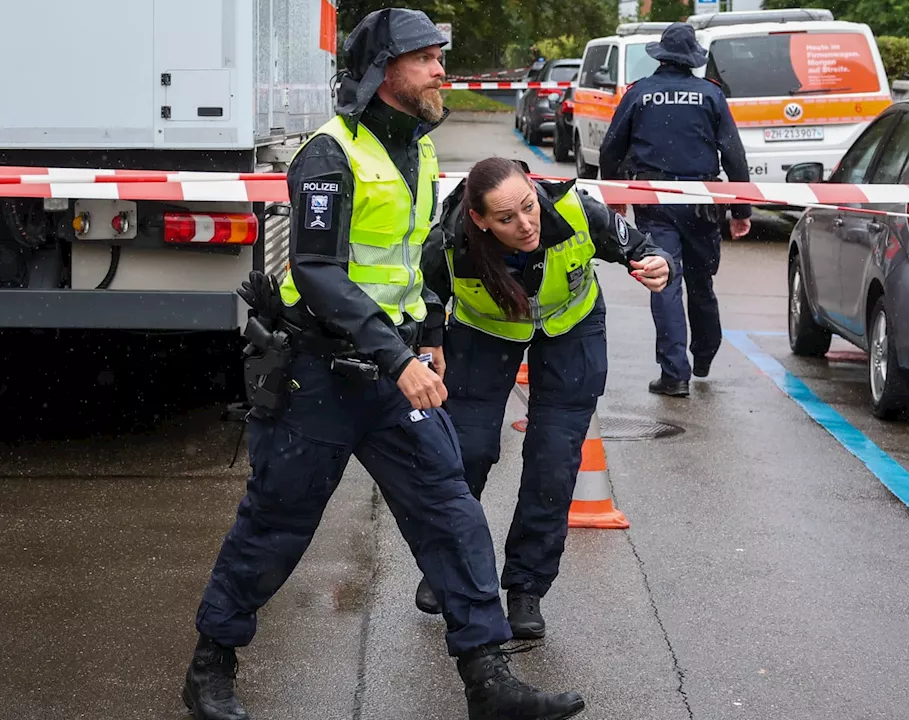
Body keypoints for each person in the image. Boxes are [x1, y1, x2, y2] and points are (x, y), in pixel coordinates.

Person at [182, 10, 585, 720]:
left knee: (452, 514)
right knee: (276, 524)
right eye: (425, 59)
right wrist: (398, 356)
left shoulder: (419, 153)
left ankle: (488, 680)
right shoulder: (328, 155)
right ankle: (212, 663)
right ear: (384, 71)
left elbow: (410, 259)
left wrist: (428, 328)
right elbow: (317, 273)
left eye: (439, 57)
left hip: (393, 371)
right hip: (320, 375)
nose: (440, 70)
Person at [411, 157, 672, 638]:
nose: (525, 225)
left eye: (529, 208)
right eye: (506, 220)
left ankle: (526, 587)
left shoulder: (578, 211)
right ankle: (446, 569)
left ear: (535, 190)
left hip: (571, 328)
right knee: (467, 452)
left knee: (553, 460)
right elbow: (424, 289)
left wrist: (658, 266)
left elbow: (644, 249)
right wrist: (429, 339)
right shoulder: (451, 239)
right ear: (480, 220)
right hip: (483, 333)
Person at [598, 22, 752, 397]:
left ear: (660, 56)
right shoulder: (710, 95)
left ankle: (675, 374)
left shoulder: (639, 93)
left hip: (653, 200)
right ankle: (703, 355)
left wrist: (613, 194)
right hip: (701, 202)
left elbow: (611, 149)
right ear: (691, 59)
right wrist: (741, 211)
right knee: (701, 283)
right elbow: (733, 154)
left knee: (663, 282)